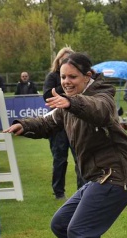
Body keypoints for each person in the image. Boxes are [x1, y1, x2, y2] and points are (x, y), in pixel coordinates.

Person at [4, 52, 127, 238]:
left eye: (72, 77)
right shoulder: (68, 101)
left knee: (80, 232)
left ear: (88, 76)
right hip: (97, 177)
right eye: (63, 76)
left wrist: (71, 103)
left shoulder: (102, 95)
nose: (66, 81)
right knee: (61, 223)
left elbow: (99, 110)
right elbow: (48, 123)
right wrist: (24, 126)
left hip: (116, 177)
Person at [43, 47, 82, 199]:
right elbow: (47, 96)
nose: (66, 62)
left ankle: (82, 190)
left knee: (80, 158)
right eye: (63, 60)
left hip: (75, 121)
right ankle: (59, 192)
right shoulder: (52, 76)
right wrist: (66, 84)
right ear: (58, 61)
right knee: (59, 159)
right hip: (58, 123)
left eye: (69, 59)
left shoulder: (79, 77)